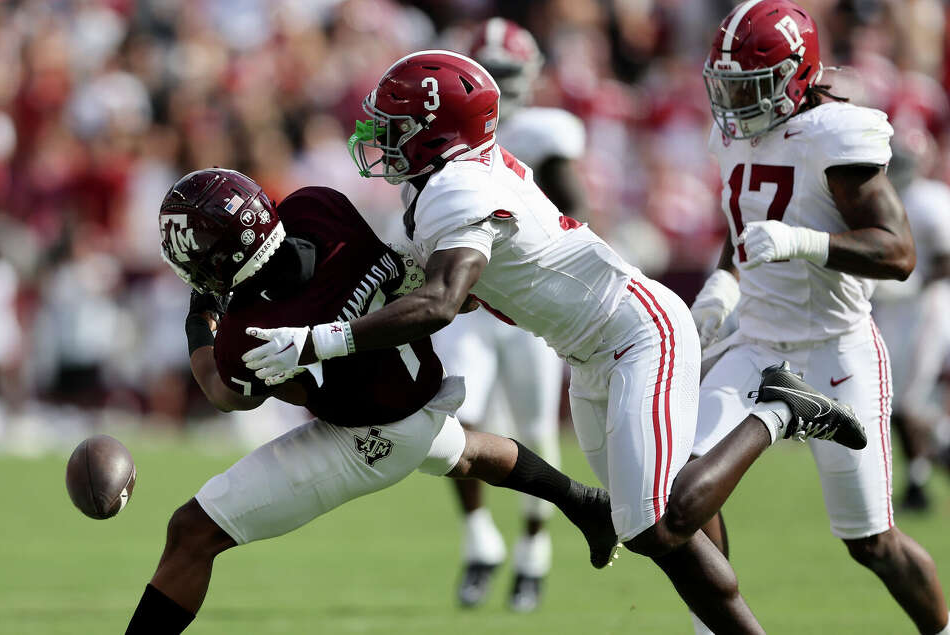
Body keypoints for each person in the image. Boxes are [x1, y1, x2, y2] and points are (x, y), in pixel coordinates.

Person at [241, 49, 869, 633]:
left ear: (436, 132)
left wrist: (317, 342)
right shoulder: (436, 185)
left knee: (654, 522)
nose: (377, 138)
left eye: (393, 125)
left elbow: (439, 302)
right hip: (591, 351)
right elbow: (388, 275)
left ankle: (780, 410)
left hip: (637, 333)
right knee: (659, 532)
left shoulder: (458, 187)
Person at [125, 168, 615, 634]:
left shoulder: (247, 333)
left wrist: (199, 317)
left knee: (192, 532)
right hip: (415, 386)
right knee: (464, 450)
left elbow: (225, 394)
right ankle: (585, 502)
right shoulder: (318, 207)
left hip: (371, 434)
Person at [690, 2, 949, 634]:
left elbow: (899, 253)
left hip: (836, 352)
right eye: (726, 85)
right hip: (756, 345)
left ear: (797, 75)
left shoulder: (835, 135)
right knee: (683, 493)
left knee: (871, 543)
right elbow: (744, 230)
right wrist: (720, 287)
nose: (734, 102)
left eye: (750, 86)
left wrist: (806, 242)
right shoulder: (732, 134)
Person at [436, 17, 591, 612]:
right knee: (459, 418)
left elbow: (576, 210)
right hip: (471, 306)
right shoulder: (445, 139)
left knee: (536, 432)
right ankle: (480, 540)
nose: (499, 85)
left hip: (526, 306)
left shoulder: (547, 132)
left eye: (507, 74)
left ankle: (534, 548)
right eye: (489, 74)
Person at [871, 128, 950, 512]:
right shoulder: (890, 196)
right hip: (896, 308)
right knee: (896, 400)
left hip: (925, 306)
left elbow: (946, 259)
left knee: (911, 399)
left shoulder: (930, 200)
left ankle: (922, 477)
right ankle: (923, 471)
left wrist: (914, 284)